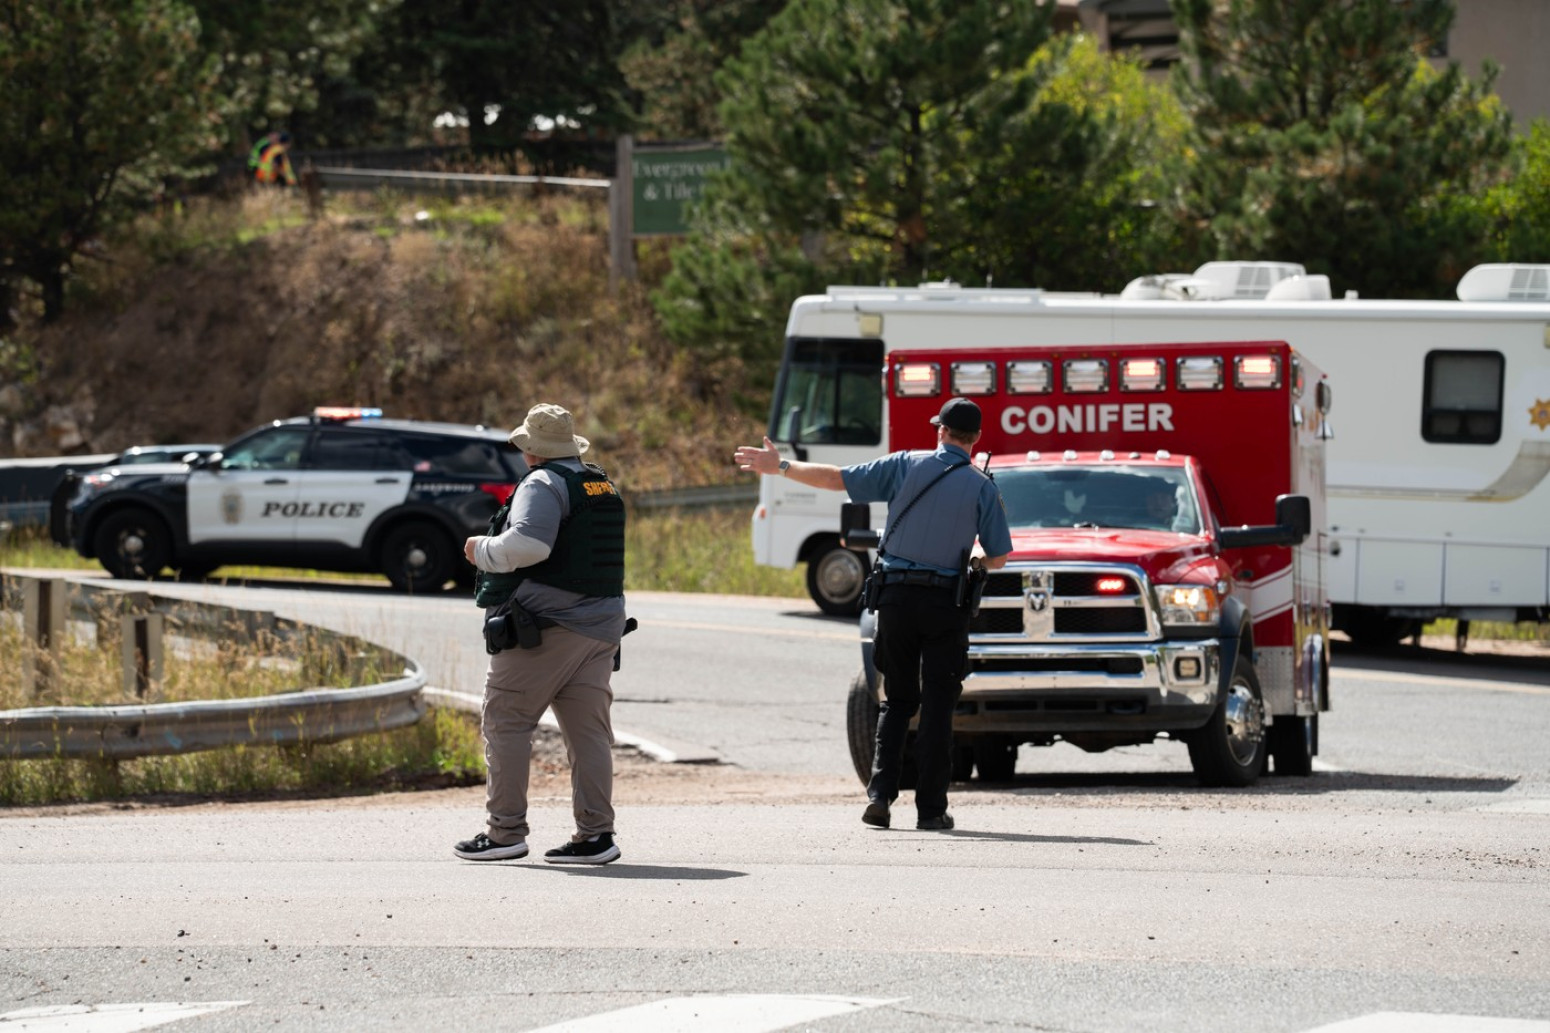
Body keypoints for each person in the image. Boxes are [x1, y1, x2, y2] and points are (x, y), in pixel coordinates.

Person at [735, 397, 1012, 831]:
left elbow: (836, 479)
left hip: (896, 599)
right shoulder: (982, 486)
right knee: (939, 706)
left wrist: (781, 466)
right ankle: (932, 811)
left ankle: (881, 797)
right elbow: (999, 558)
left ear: (939, 431)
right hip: (945, 604)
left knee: (897, 701)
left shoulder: (904, 465)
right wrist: (972, 557)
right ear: (976, 439)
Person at [454, 403, 629, 865]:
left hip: (547, 627)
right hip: (601, 627)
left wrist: (482, 549)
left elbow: (530, 545)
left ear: (531, 450)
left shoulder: (542, 483)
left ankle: (504, 832)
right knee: (588, 732)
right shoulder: (599, 483)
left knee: (506, 721)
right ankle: (595, 836)